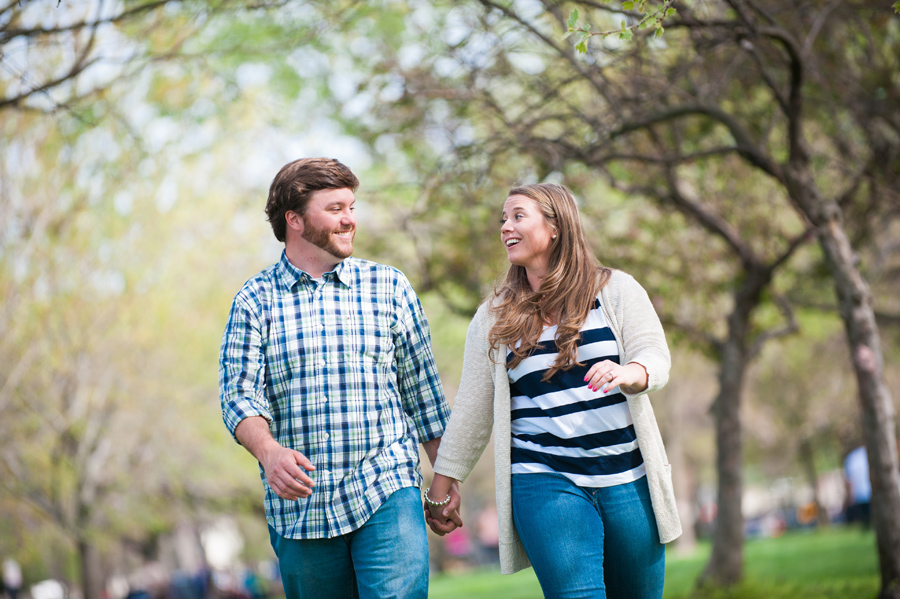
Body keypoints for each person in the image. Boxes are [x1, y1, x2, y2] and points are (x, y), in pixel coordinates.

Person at [423, 183, 682, 599]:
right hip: (543, 477)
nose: (506, 227)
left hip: (627, 476)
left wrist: (629, 373)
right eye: (503, 219)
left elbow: (654, 354)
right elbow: (473, 408)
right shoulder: (493, 317)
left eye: (517, 216)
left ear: (556, 225)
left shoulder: (615, 290)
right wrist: (441, 485)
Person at [219, 158, 458, 599]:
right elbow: (239, 397)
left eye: (352, 206)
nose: (350, 219)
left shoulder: (389, 287)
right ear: (295, 219)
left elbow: (422, 393)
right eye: (335, 209)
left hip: (387, 485)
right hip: (301, 507)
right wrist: (269, 453)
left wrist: (446, 477)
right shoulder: (254, 301)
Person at [843, 445, 871, 528]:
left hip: (860, 494)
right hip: (870, 492)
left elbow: (849, 480)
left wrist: (850, 496)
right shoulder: (870, 454)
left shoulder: (851, 458)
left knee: (865, 520)